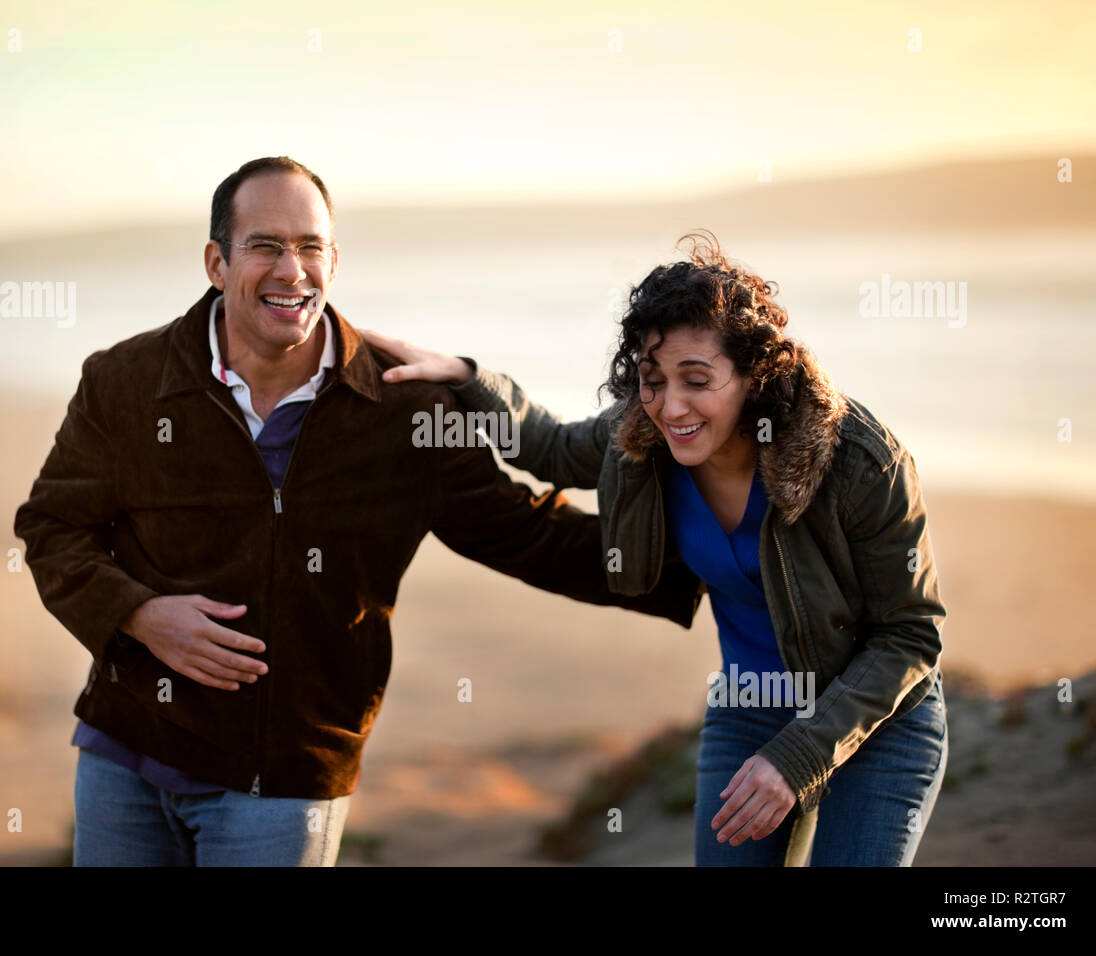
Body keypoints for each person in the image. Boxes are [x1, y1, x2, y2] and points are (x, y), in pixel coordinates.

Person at [12, 157, 699, 867]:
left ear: (333, 261)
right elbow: (53, 528)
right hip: (125, 754)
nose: (292, 270)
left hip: (285, 781)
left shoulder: (402, 409)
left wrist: (712, 561)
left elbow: (528, 533)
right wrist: (137, 613)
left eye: (310, 247)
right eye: (265, 246)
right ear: (217, 262)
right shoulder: (125, 382)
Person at [364, 231, 949, 866]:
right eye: (651, 378)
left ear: (755, 376)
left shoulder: (859, 461)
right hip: (751, 706)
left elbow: (909, 636)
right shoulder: (640, 434)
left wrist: (799, 756)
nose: (671, 407)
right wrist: (468, 378)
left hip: (879, 723)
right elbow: (552, 449)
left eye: (696, 380)